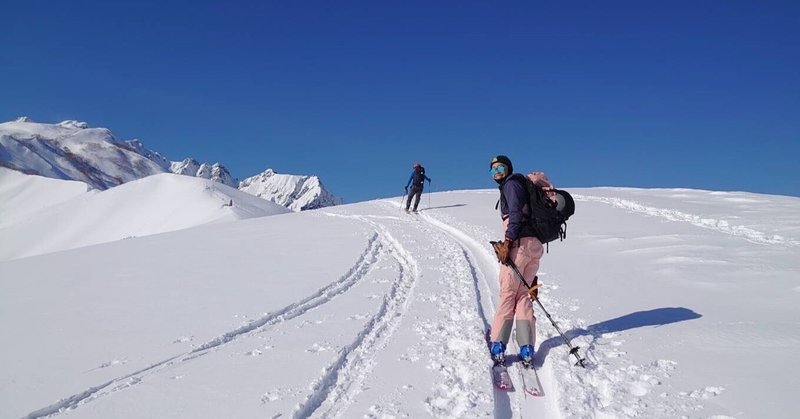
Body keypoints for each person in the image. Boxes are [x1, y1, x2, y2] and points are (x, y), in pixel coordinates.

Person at [488, 155, 544, 368]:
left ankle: (498, 345)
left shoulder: (511, 185)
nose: (497, 172)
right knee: (523, 295)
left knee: (508, 294)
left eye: (500, 167)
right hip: (534, 247)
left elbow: (514, 215)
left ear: (508, 168)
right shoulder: (521, 185)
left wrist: (508, 241)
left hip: (519, 245)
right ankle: (526, 348)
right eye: (492, 170)